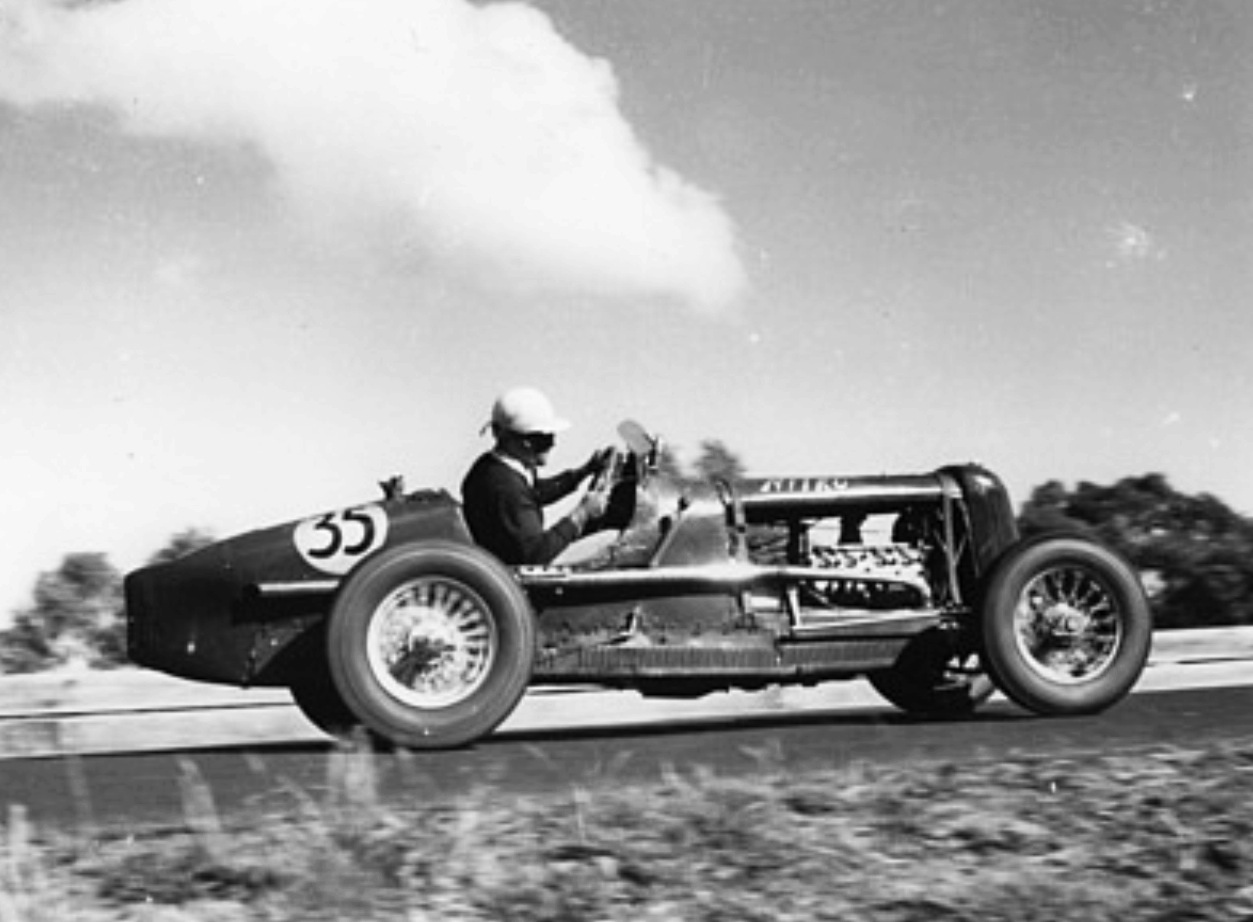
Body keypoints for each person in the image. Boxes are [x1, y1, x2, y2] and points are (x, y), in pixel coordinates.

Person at [461, 387, 613, 566]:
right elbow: (535, 555)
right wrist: (582, 513)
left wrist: (584, 472)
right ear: (526, 443)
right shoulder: (504, 487)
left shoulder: (496, 468)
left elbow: (533, 493)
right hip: (522, 569)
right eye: (546, 438)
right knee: (614, 540)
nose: (553, 444)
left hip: (508, 563)